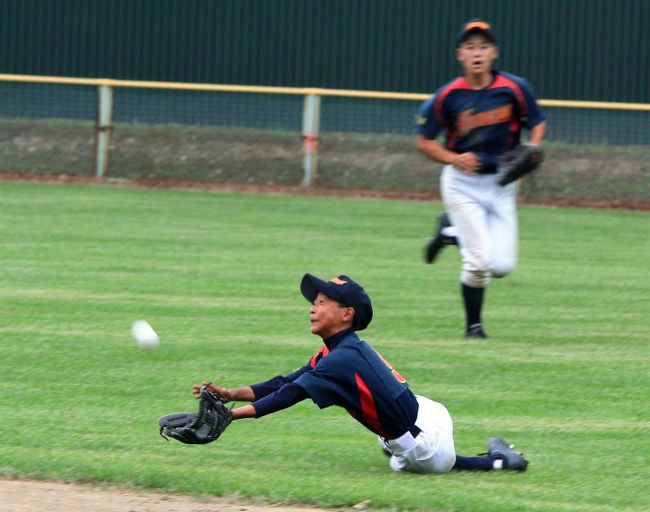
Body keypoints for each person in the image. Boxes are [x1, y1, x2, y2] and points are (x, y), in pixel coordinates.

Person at [192, 273, 528, 473]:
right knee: (415, 433)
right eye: (315, 301)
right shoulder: (340, 349)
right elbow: (285, 382)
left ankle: (497, 462)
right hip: (418, 432)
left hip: (424, 439)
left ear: (346, 314)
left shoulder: (340, 360)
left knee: (426, 447)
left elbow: (288, 396)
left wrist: (233, 417)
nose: (313, 307)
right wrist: (231, 394)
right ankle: (497, 462)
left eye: (324, 301)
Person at [416, 19, 547, 338]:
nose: (477, 53)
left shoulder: (515, 87)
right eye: (470, 47)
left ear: (494, 53)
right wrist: (452, 157)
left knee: (501, 266)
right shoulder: (447, 96)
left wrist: (534, 146)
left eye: (483, 46)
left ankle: (451, 232)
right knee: (478, 262)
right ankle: (474, 327)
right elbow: (424, 140)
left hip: (502, 182)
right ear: (460, 54)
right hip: (462, 183)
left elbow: (538, 121)